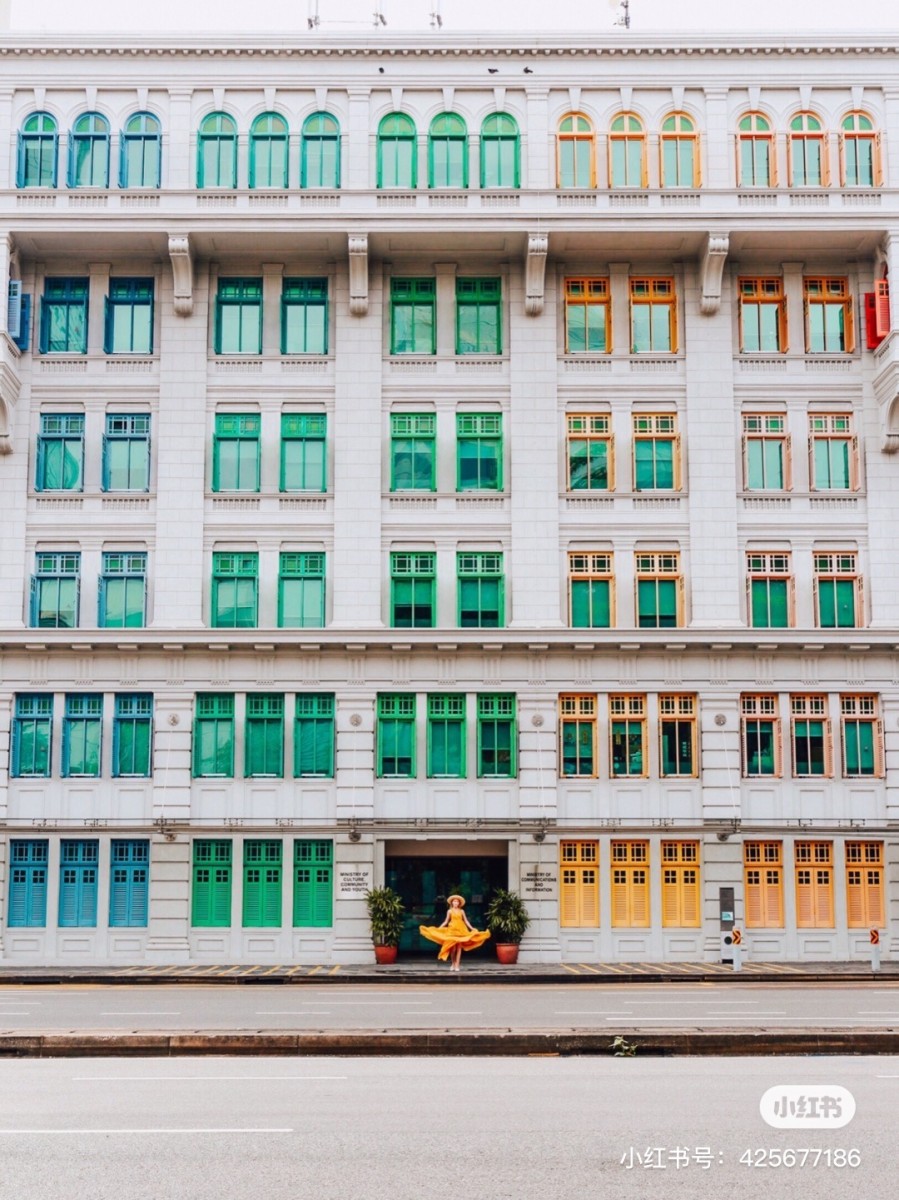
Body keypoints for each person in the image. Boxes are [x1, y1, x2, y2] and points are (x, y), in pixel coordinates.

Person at [419, 894, 490, 971]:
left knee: (459, 948)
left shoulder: (462, 911)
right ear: (452, 903)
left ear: (459, 903)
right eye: (454, 901)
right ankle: (453, 963)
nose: (455, 903)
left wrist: (472, 928)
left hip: (461, 930)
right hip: (452, 930)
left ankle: (457, 965)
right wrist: (439, 928)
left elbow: (466, 921)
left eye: (457, 902)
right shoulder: (449, 911)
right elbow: (446, 921)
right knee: (453, 949)